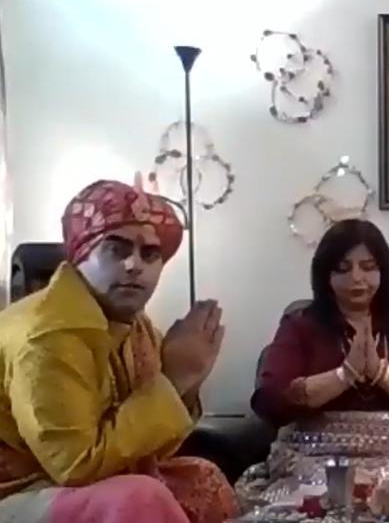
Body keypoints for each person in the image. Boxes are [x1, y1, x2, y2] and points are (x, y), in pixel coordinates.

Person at [0, 180, 238, 523]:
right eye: (116, 249)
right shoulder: (47, 334)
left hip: (80, 478)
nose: (133, 265)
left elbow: (151, 446)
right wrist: (172, 381)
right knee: (139, 497)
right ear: (81, 255)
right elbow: (75, 466)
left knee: (201, 477)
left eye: (150, 254)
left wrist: (188, 381)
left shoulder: (133, 324)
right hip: (18, 489)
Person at [252, 218, 389, 425]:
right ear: (325, 275)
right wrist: (344, 375)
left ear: (383, 272)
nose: (356, 277)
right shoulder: (299, 326)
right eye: (343, 268)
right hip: (316, 447)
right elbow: (269, 401)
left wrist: (383, 373)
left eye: (368, 266)